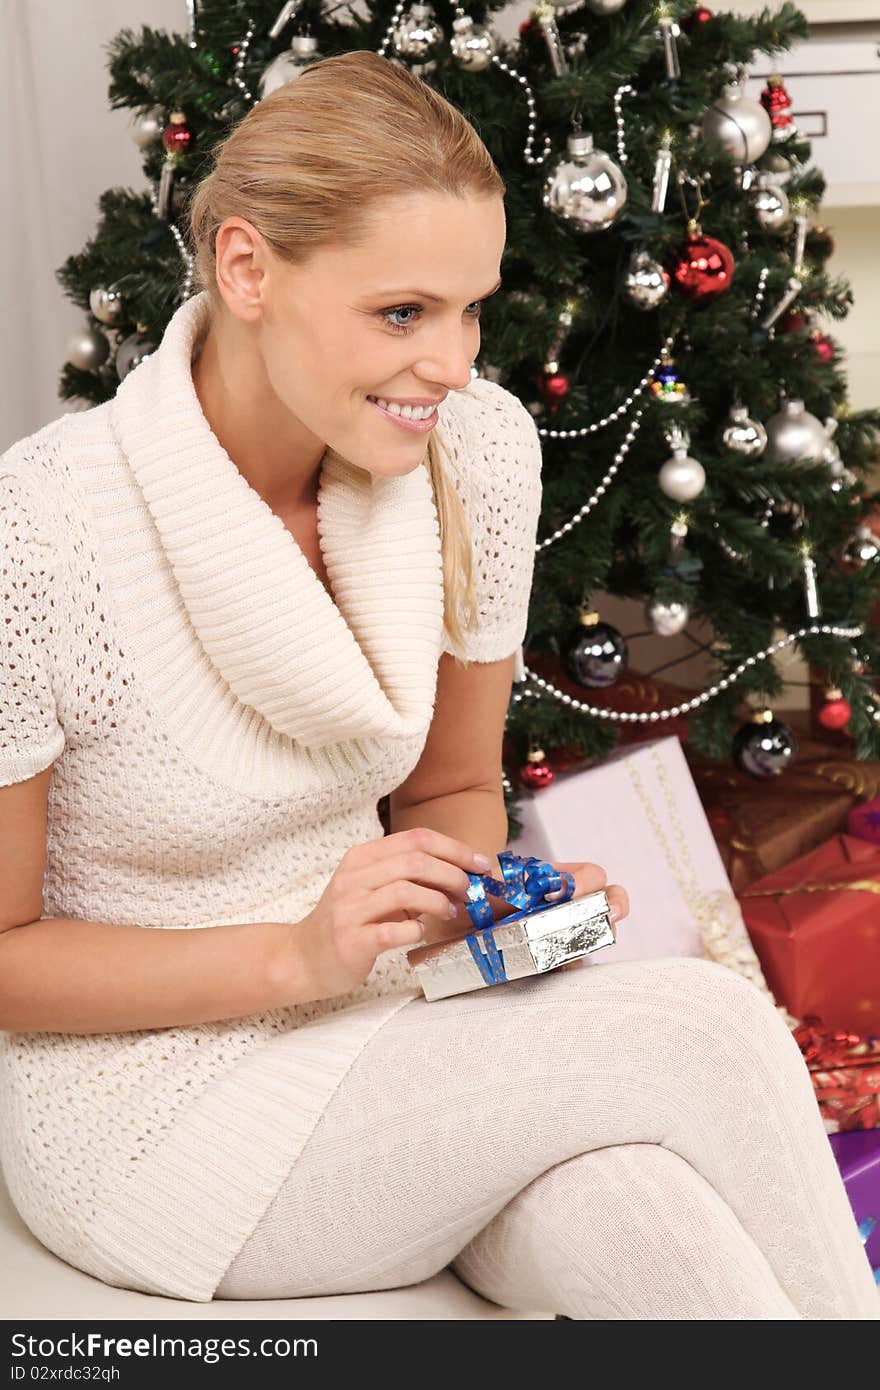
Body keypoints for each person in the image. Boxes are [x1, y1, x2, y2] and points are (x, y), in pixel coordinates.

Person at [0, 50, 876, 1321]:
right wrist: (298, 953)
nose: (453, 363)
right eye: (401, 313)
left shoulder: (473, 452)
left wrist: (478, 901)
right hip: (153, 1108)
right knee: (702, 1027)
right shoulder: (37, 536)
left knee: (655, 1220)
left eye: (472, 308)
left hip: (395, 1032)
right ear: (246, 269)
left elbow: (454, 785)